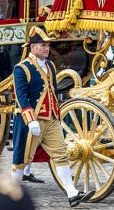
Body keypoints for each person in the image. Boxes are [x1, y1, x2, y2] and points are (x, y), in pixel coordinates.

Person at [11, 26, 94, 207]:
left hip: (51, 118)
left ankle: (71, 193)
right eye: (43, 45)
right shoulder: (21, 68)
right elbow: (21, 95)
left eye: (48, 45)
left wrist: (56, 112)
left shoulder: (50, 65)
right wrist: (30, 119)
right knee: (21, 160)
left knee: (61, 155)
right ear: (32, 48)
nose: (47, 48)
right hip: (30, 121)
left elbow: (53, 91)